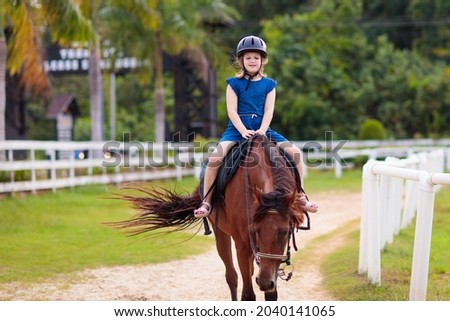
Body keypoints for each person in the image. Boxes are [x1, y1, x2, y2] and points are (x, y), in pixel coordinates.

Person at [194, 35, 318, 218]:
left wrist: (262, 129)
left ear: (263, 61)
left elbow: (268, 111)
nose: (252, 61)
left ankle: (300, 195)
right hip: (236, 131)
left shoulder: (269, 85)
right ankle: (206, 201)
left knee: (296, 153)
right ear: (241, 60)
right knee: (215, 159)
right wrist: (243, 131)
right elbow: (232, 112)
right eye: (248, 57)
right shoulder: (233, 84)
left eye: (256, 58)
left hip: (263, 128)